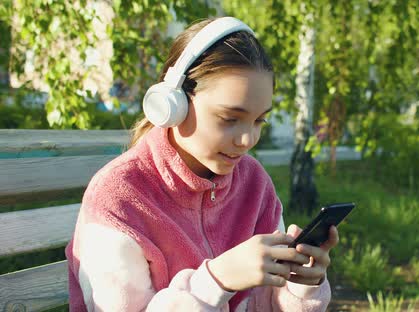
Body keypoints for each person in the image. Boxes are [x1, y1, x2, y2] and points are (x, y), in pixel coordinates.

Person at [65, 17, 337, 311]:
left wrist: (300, 284)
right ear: (173, 104)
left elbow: (262, 305)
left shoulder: (254, 184)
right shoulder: (119, 198)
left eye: (259, 120)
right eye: (229, 119)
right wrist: (218, 280)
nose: (248, 139)